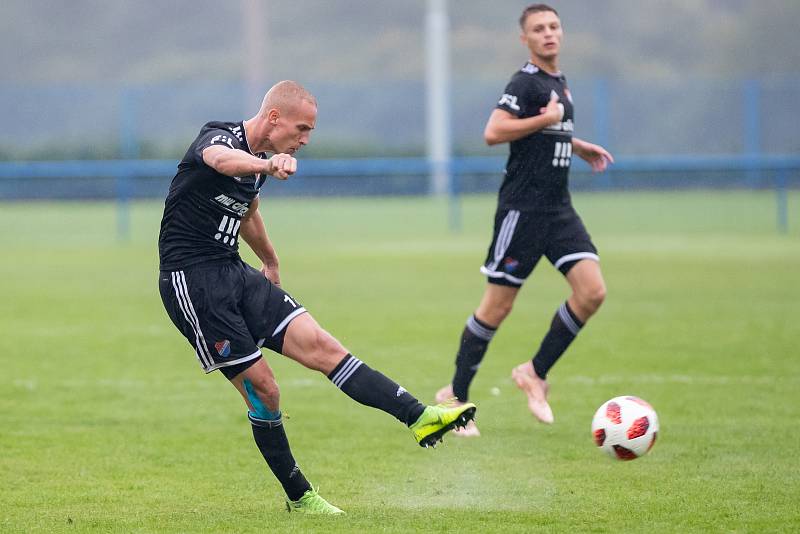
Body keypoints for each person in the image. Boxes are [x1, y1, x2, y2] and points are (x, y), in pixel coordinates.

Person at [157, 80, 476, 514]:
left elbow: (248, 212)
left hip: (234, 271)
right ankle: (300, 497)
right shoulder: (221, 138)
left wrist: (270, 261)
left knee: (324, 347)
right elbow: (220, 160)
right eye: (301, 128)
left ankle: (420, 417)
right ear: (274, 118)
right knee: (266, 390)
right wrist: (265, 167)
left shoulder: (258, 164)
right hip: (193, 283)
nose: (305, 139)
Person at [435, 4, 613, 433]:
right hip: (523, 210)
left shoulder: (559, 83)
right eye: (538, 29)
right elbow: (493, 132)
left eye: (553, 26)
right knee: (498, 307)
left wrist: (577, 143)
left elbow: (549, 129)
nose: (548, 34)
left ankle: (534, 373)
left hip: (559, 209)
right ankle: (455, 398)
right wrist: (546, 118)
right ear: (525, 39)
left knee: (591, 292)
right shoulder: (525, 82)